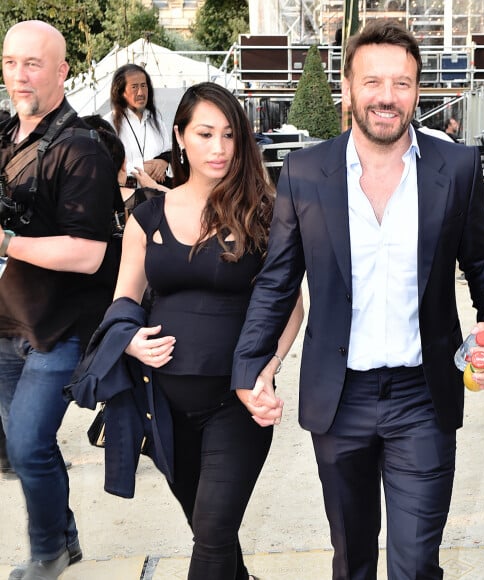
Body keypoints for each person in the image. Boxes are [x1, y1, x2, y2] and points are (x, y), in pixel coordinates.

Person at [232, 20, 484, 579]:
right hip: (340, 400)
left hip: (423, 398)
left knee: (415, 565)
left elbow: (483, 260)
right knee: (352, 559)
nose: (387, 97)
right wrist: (250, 366)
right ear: (347, 87)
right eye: (373, 82)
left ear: (417, 90)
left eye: (403, 83)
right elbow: (278, 280)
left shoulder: (455, 169)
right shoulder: (306, 172)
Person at [109, 81, 303, 579]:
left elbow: (291, 305)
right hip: (164, 409)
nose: (218, 148)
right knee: (209, 530)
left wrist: (268, 369)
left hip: (236, 401)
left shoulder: (263, 212)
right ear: (180, 137)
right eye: (205, 133)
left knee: (213, 534)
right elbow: (124, 301)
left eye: (229, 135)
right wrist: (129, 339)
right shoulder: (146, 217)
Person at [0, 20, 118, 580]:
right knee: (31, 449)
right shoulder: (5, 136)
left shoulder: (82, 147)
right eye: (10, 62)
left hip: (60, 327)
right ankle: (64, 540)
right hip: (7, 322)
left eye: (33, 64)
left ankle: (47, 553)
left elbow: (88, 254)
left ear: (63, 71)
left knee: (26, 445)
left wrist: (6, 242)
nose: (19, 76)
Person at [104, 64, 172, 188]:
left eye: (143, 86)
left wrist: (163, 163)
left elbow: (167, 150)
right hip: (128, 198)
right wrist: (140, 168)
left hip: (159, 195)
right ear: (121, 92)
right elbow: (105, 163)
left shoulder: (156, 120)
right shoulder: (109, 122)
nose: (140, 92)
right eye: (134, 87)